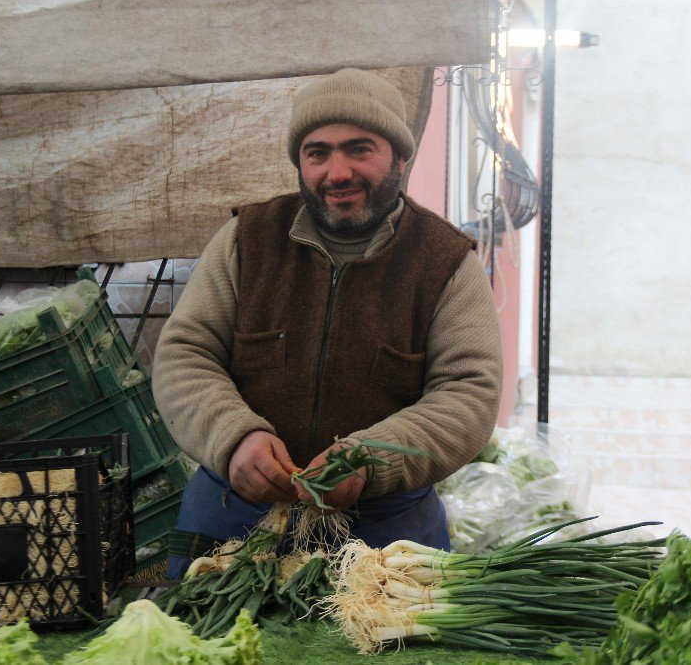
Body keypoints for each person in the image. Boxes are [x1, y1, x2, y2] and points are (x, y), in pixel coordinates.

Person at [152, 68, 503, 578]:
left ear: (400, 159)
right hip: (231, 522)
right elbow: (186, 353)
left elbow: (468, 393)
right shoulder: (245, 240)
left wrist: (370, 459)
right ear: (300, 161)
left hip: (384, 535)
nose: (337, 172)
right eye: (318, 152)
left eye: (360, 149)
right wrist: (233, 437)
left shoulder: (444, 260)